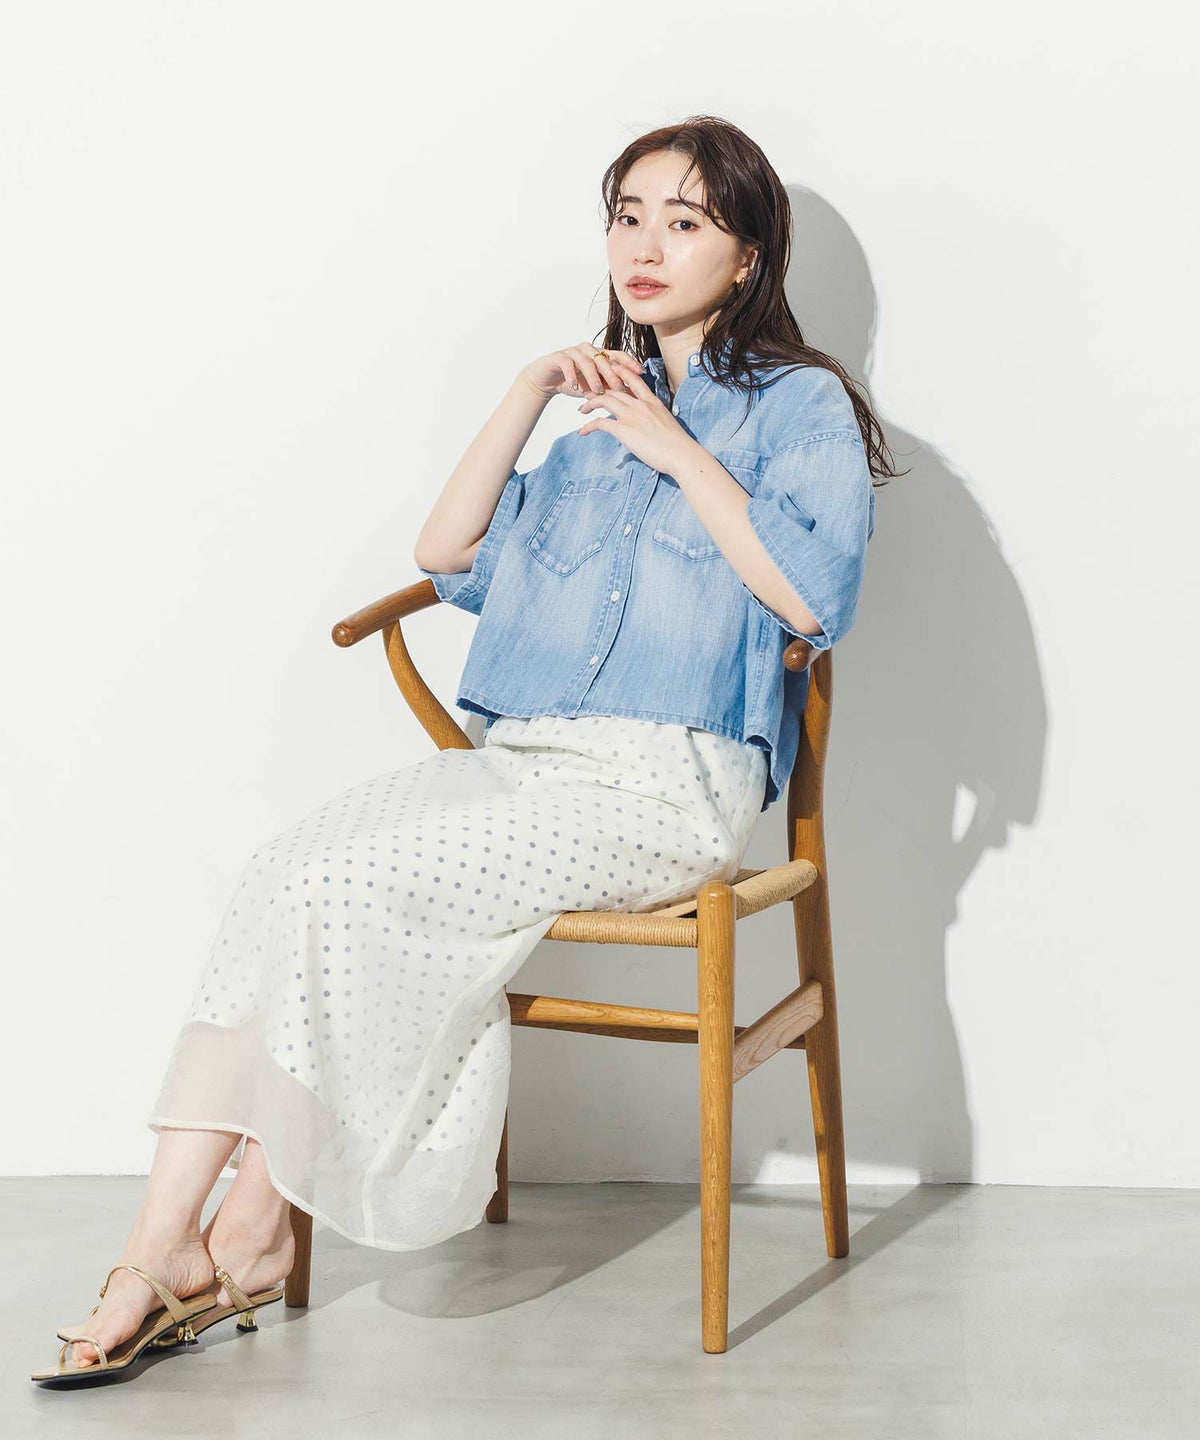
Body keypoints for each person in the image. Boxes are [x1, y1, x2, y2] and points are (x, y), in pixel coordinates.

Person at [34, 113, 899, 1385]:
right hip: (519, 769)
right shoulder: (589, 427)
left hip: (664, 784)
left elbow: (815, 599)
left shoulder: (799, 406)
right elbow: (446, 553)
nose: (645, 246)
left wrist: (677, 450)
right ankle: (179, 1243)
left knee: (347, 887)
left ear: (750, 255)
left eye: (685, 221)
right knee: (284, 875)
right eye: (628, 216)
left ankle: (222, 1243)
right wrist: (530, 392)